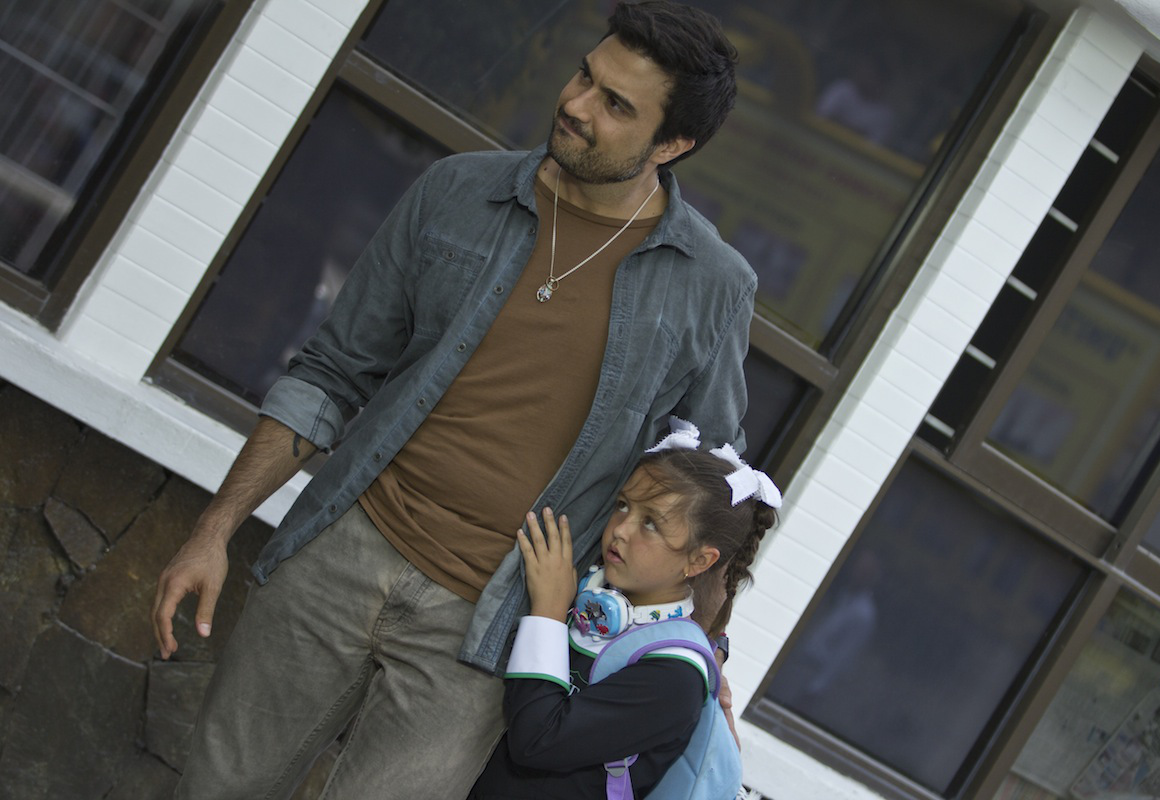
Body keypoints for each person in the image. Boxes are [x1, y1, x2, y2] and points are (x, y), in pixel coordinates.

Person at [152, 3, 754, 798]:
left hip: (494, 626)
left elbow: (710, 494)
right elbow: (331, 373)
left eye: (616, 105)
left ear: (671, 146)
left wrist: (701, 651)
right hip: (343, 553)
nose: (576, 104)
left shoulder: (712, 286)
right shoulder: (458, 192)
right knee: (216, 787)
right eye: (585, 75)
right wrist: (214, 530)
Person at [469, 422, 780, 798]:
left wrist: (548, 612)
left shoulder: (675, 675)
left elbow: (537, 739)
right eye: (622, 505)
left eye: (651, 523)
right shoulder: (591, 597)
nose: (621, 529)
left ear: (699, 560)